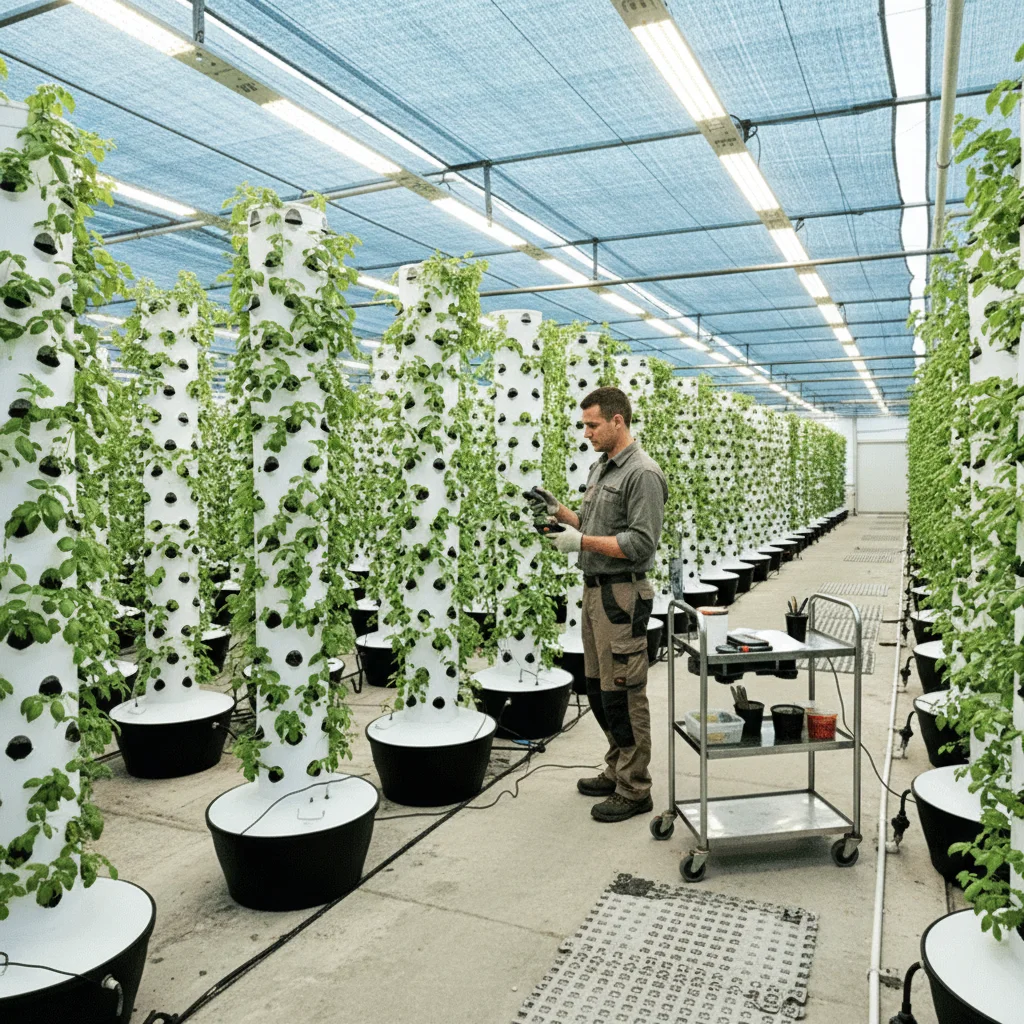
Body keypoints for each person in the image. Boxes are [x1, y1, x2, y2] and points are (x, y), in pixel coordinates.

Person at [529, 386, 668, 823]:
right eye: (584, 424)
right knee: (599, 690)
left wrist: (582, 541)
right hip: (595, 593)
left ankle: (635, 788)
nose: (586, 432)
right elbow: (594, 523)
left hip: (622, 595)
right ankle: (616, 768)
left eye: (592, 425)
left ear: (617, 421)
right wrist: (564, 514)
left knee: (625, 693)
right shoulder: (601, 469)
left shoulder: (641, 473)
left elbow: (642, 543)